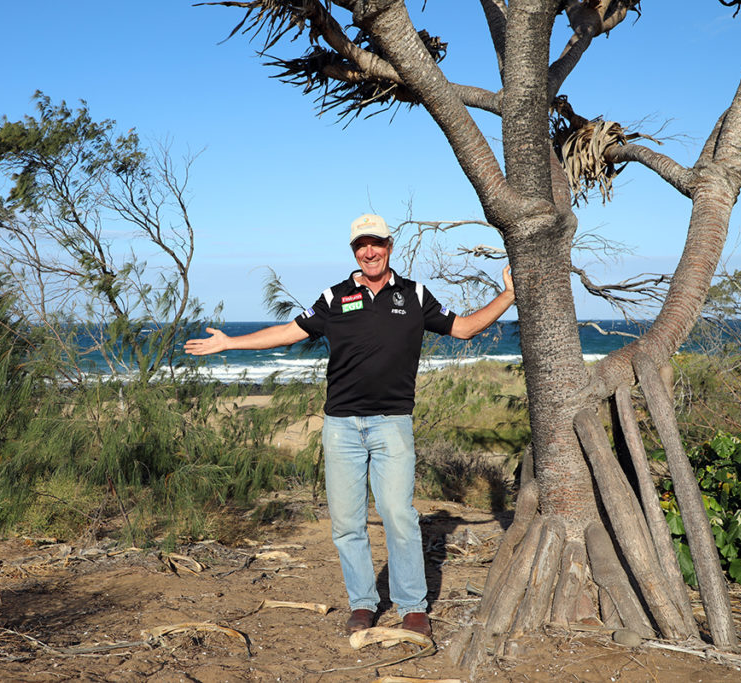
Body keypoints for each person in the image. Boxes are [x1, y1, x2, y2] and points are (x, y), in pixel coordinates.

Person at [184, 213, 515, 638]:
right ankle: (362, 603)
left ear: (389, 246)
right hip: (341, 427)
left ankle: (412, 606)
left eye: (376, 243)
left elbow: (465, 328)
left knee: (398, 514)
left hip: (392, 424)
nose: (369, 251)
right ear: (354, 251)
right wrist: (230, 342)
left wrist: (507, 295)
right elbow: (289, 332)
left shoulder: (413, 294)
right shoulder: (334, 297)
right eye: (362, 245)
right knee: (346, 522)